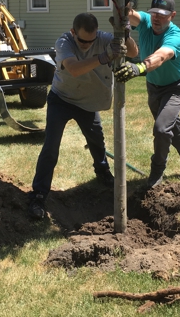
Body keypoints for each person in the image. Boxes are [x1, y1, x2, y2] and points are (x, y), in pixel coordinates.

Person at [29, 12, 139, 219]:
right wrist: (104, 57)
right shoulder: (64, 42)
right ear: (73, 32)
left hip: (87, 103)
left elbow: (133, 53)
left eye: (92, 40)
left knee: (96, 139)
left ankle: (102, 172)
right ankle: (39, 194)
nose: (87, 44)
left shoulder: (103, 38)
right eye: (82, 40)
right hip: (61, 99)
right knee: (51, 147)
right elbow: (74, 69)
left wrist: (125, 35)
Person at [114, 0, 180, 188]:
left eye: (162, 14)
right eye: (154, 13)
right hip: (153, 87)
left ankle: (157, 170)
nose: (157, 18)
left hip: (175, 87)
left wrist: (139, 68)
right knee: (171, 127)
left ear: (172, 15)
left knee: (162, 128)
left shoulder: (175, 36)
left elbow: (161, 56)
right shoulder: (146, 21)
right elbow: (129, 14)